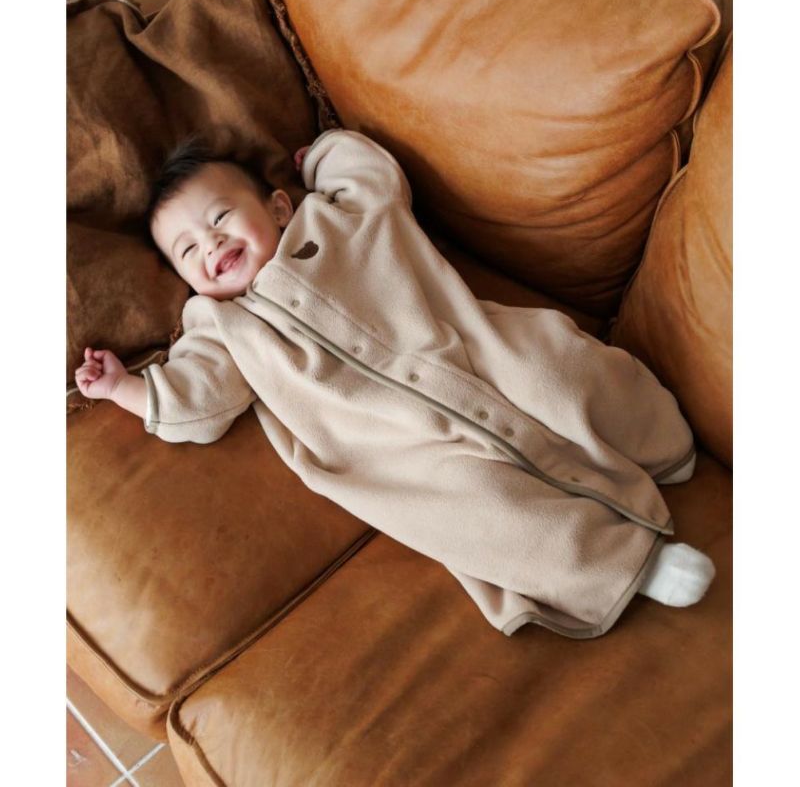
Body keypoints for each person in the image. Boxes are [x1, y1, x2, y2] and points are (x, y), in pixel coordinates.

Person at [74, 129, 715, 637]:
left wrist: (323, 155)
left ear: (279, 206)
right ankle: (626, 567)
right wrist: (124, 388)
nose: (211, 243)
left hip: (471, 352)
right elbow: (198, 401)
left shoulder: (336, 218)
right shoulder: (219, 326)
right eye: (189, 251)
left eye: (220, 216)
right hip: (402, 450)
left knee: (557, 371)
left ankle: (659, 443)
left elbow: (373, 174)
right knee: (487, 514)